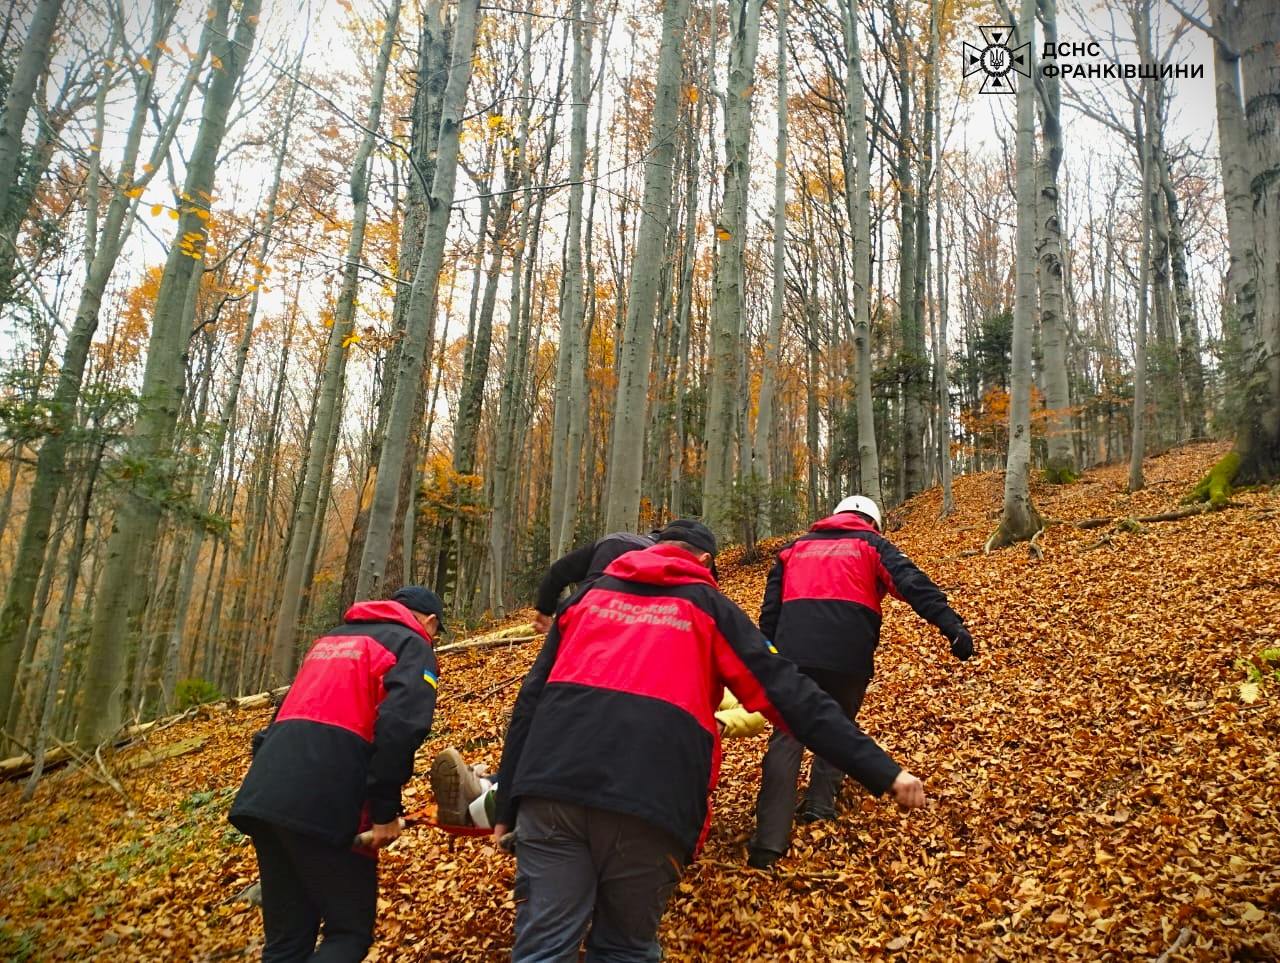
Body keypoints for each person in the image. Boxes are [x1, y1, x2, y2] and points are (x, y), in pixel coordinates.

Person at [491, 520, 926, 962]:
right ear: (703, 561)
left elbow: (529, 701)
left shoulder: (587, 598)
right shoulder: (709, 607)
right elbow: (792, 695)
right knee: (624, 946)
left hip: (550, 788)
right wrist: (882, 770)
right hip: (649, 798)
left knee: (543, 948)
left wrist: (508, 800)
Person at [748, 495, 972, 869]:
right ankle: (819, 808)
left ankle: (768, 844)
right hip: (847, 658)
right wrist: (952, 627)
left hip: (791, 656)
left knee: (787, 737)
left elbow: (770, 611)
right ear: (873, 522)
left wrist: (767, 656)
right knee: (836, 727)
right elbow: (913, 585)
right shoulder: (872, 545)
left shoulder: (793, 550)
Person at [229, 586, 446, 962]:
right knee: (348, 933)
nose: (435, 640)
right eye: (437, 634)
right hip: (327, 799)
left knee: (287, 942)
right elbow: (400, 727)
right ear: (429, 621)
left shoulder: (330, 640)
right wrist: (383, 812)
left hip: (265, 792)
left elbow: (278, 718)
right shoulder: (413, 643)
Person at [429, 695, 765, 830]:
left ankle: (484, 801)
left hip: (659, 767)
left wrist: (717, 722)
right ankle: (486, 791)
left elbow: (756, 713)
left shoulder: (711, 672)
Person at [531, 531, 656, 634]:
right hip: (641, 551)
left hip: (610, 540)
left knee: (589, 599)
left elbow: (559, 570)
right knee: (594, 602)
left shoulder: (614, 540)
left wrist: (544, 609)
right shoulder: (661, 550)